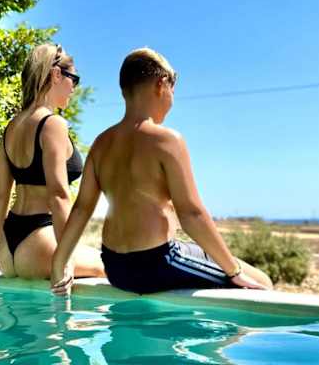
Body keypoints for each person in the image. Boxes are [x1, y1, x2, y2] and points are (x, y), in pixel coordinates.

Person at [50, 47, 273, 295]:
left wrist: (59, 263)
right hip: (157, 264)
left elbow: (81, 209)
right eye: (173, 87)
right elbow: (192, 215)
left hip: (115, 266)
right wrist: (234, 272)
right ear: (161, 83)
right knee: (261, 282)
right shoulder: (167, 141)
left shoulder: (101, 144)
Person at [0, 44, 105, 280]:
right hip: (39, 243)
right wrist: (65, 260)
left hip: (8, 249)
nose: (74, 88)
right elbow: (59, 196)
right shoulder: (52, 124)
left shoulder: (11, 127)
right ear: (56, 74)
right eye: (73, 79)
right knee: (109, 266)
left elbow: (1, 196)